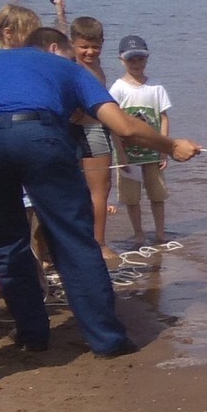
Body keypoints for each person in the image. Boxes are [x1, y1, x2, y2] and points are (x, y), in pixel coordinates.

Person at [0, 37, 200, 357]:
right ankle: (107, 339)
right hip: (38, 136)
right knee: (73, 239)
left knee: (5, 244)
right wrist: (172, 146)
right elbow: (122, 126)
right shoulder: (66, 68)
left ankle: (32, 334)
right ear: (54, 48)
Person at [109, 35, 172, 247]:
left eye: (140, 59)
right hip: (129, 154)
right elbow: (113, 123)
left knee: (157, 195)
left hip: (153, 152)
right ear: (121, 60)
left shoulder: (156, 87)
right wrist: (121, 153)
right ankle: (138, 233)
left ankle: (161, 233)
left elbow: (163, 118)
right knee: (131, 197)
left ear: (147, 59)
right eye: (131, 60)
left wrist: (164, 148)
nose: (136, 64)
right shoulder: (117, 89)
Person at [67, 16, 118, 263]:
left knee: (101, 189)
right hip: (78, 129)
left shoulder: (97, 66)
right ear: (72, 43)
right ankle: (90, 243)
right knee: (82, 189)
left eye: (95, 46)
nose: (89, 52)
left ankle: (97, 241)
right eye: (83, 47)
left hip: (94, 129)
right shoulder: (69, 65)